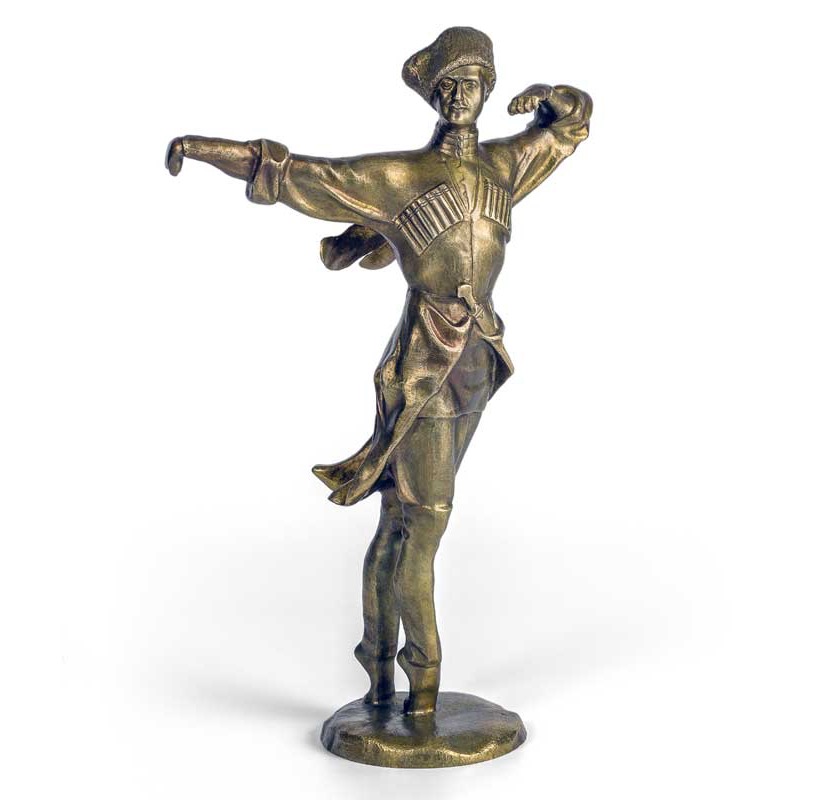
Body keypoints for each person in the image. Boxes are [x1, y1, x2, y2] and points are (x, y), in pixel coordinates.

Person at [166, 26, 592, 715]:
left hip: (477, 363)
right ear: (432, 93)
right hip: (424, 366)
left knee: (401, 519)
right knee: (426, 519)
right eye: (447, 84)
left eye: (472, 82)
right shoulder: (399, 177)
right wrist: (206, 150)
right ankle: (421, 686)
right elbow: (301, 175)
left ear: (488, 87)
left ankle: (378, 669)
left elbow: (571, 127)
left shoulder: (502, 167)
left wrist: (551, 100)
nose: (459, 95)